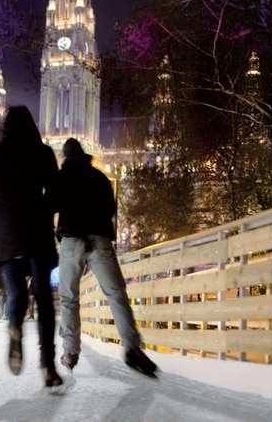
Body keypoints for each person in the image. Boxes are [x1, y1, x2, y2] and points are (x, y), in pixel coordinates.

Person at [46, 137, 158, 378]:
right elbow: (109, 209)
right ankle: (131, 346)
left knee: (68, 298)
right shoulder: (99, 177)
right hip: (99, 240)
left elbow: (49, 206)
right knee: (116, 293)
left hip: (72, 240)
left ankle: (70, 351)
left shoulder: (60, 177)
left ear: (65, 157)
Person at [0, 105, 63, 388]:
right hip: (36, 233)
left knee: (16, 293)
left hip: (4, 237)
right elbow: (56, 194)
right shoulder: (43, 153)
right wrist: (42, 210)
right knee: (42, 298)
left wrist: (1, 207)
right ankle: (48, 366)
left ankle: (14, 325)